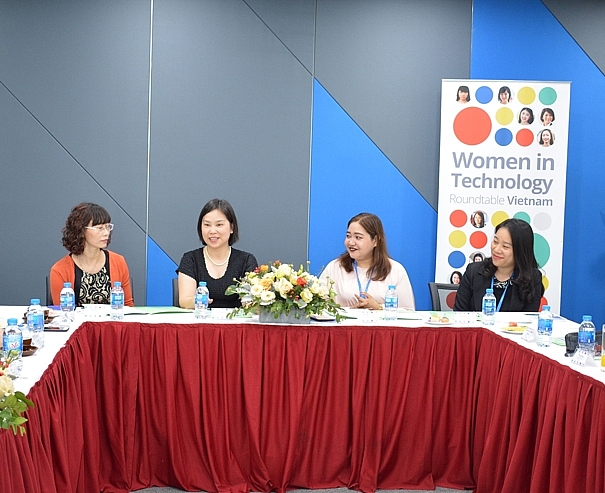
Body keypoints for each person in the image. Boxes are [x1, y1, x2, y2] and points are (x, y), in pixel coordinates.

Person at [319, 213, 415, 310]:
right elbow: (319, 307)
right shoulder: (335, 267)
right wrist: (349, 311)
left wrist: (378, 308)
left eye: (358, 237)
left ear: (375, 240)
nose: (351, 242)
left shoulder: (395, 270)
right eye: (348, 236)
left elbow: (408, 311)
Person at [176, 198, 257, 309]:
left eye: (219, 225)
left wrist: (250, 303)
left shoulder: (246, 260)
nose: (212, 231)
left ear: (232, 228)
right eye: (207, 225)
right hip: (201, 318)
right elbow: (184, 301)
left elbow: (251, 302)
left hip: (235, 319)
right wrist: (199, 300)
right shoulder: (191, 259)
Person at [50, 203, 134, 306]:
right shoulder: (60, 270)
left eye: (108, 227)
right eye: (99, 228)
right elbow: (61, 311)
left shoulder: (118, 262)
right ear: (81, 230)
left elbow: (127, 305)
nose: (106, 233)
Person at [454, 218, 544, 312]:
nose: (496, 249)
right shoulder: (473, 271)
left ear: (520, 251)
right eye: (495, 242)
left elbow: (529, 318)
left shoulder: (532, 279)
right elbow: (459, 313)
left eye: (505, 246)